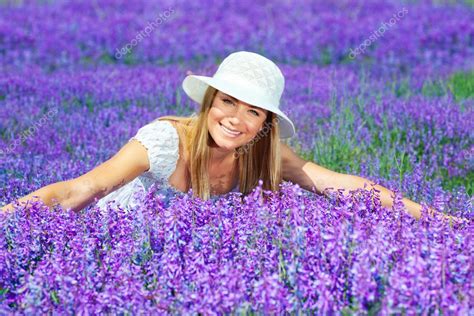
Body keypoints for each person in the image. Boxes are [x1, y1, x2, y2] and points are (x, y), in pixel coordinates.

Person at [0, 51, 467, 224]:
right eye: (227, 102)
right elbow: (82, 189)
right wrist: (9, 216)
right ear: (209, 103)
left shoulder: (265, 155)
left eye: (252, 111)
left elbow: (346, 186)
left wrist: (438, 220)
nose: (235, 119)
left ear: (265, 122)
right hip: (115, 232)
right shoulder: (163, 142)